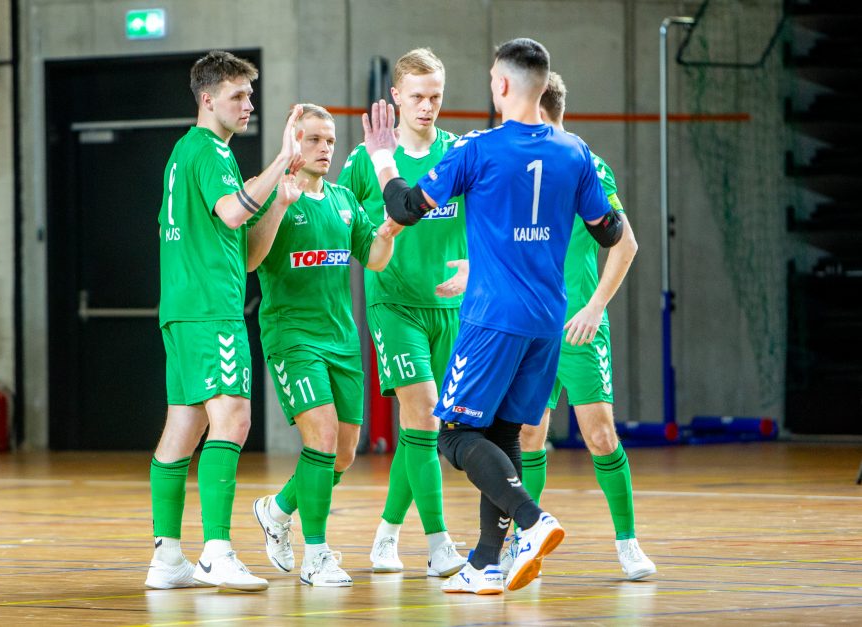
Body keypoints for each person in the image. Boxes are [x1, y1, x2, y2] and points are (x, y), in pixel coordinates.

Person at [361, 38, 627, 595]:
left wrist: (384, 157)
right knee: (504, 431)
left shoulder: (477, 150)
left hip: (491, 317)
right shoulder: (576, 152)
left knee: (454, 435)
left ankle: (532, 521)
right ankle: (486, 561)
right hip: (548, 319)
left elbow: (405, 208)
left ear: (502, 86)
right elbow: (610, 232)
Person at [145, 50, 305, 592]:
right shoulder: (209, 151)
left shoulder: (194, 154)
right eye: (238, 95)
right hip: (209, 309)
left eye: (251, 95)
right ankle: (216, 550)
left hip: (188, 309)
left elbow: (247, 254)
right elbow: (235, 211)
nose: (248, 105)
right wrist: (283, 160)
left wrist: (278, 202)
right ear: (208, 99)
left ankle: (167, 559)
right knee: (233, 418)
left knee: (184, 428)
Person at [498, 71, 654, 581]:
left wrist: (593, 308)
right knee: (528, 434)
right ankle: (527, 542)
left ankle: (628, 543)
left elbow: (624, 244)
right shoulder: (521, 165)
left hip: (579, 329)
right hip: (531, 325)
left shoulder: (586, 165)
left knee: (600, 433)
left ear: (540, 107)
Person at [250, 104, 399, 587]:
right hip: (292, 335)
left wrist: (393, 226)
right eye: (314, 140)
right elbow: (251, 260)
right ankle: (316, 554)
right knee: (322, 438)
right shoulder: (274, 193)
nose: (324, 149)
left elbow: (374, 259)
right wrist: (278, 206)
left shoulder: (341, 199)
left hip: (342, 338)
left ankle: (277, 509)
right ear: (294, 142)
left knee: (344, 454)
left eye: (330, 141)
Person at [337, 48, 467, 577]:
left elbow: (491, 222)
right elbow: (333, 215)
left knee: (424, 431)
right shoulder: (367, 160)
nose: (427, 105)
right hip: (392, 305)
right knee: (424, 414)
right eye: (417, 96)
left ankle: (386, 534)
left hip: (450, 307)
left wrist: (474, 265)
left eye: (436, 95)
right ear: (395, 96)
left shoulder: (460, 153)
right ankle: (439, 546)